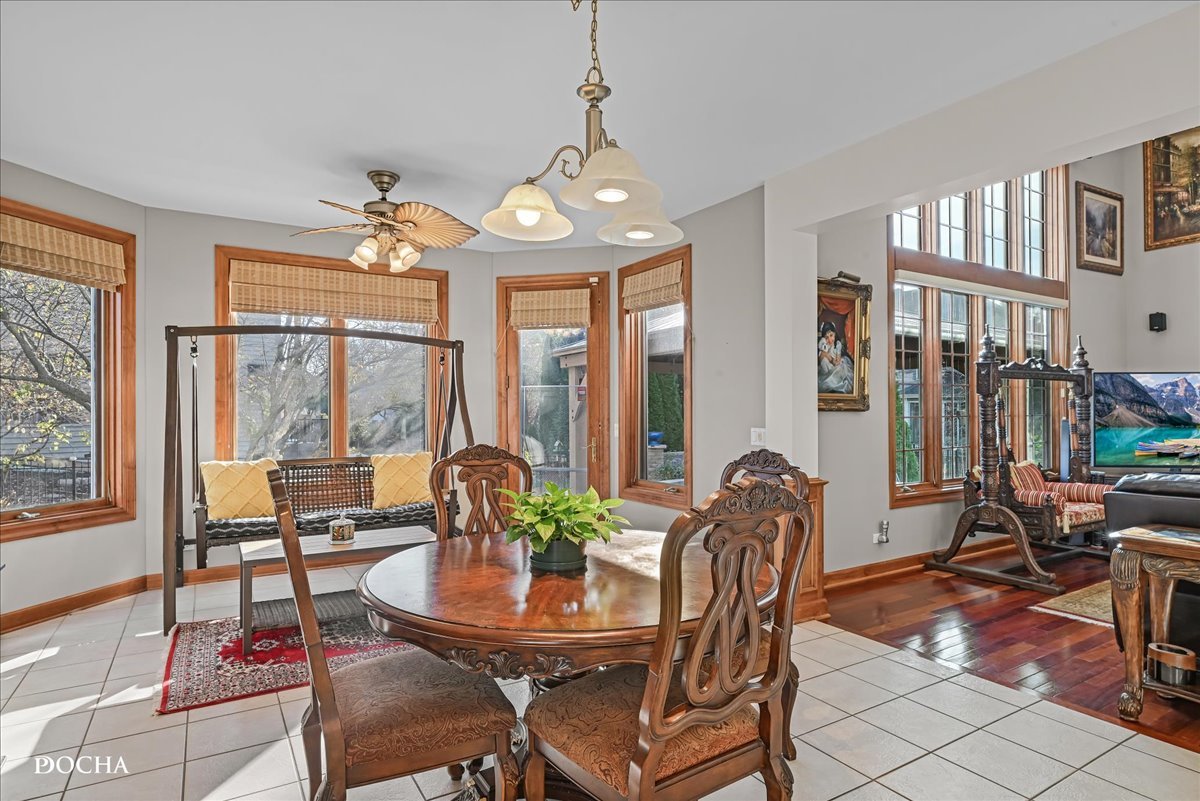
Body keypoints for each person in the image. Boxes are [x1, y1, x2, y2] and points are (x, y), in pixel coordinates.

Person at [817, 321, 855, 394]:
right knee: (823, 360)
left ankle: (833, 382)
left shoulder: (837, 345)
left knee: (838, 370)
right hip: (829, 365)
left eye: (831, 335)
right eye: (826, 337)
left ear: (834, 334)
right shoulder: (825, 344)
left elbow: (837, 361)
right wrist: (824, 354)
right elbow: (822, 355)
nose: (829, 339)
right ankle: (827, 375)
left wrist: (829, 357)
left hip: (838, 364)